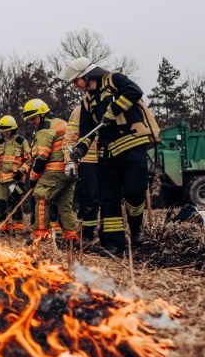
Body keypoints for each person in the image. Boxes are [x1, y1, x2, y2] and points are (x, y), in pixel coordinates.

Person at [62, 57, 157, 256]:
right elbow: (87, 133)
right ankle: (115, 245)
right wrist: (79, 151)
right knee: (109, 200)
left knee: (134, 191)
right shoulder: (87, 101)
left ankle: (136, 225)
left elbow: (135, 91)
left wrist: (113, 110)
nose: (75, 86)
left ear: (86, 76)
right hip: (108, 154)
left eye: (76, 81)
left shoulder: (114, 80)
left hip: (131, 146)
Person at [22, 99, 79, 244]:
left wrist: (33, 179)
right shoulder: (60, 122)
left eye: (34, 118)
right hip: (69, 170)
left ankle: (39, 237)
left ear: (43, 115)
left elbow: (41, 158)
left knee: (41, 198)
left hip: (54, 171)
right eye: (29, 120)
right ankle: (71, 237)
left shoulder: (45, 129)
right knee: (64, 205)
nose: (32, 122)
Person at [67, 104, 101, 245]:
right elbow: (70, 136)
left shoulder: (113, 103)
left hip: (110, 159)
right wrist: (69, 159)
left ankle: (109, 236)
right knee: (90, 199)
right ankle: (87, 235)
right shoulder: (80, 110)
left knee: (109, 199)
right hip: (88, 160)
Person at [0, 115, 31, 233]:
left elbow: (29, 159)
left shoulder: (21, 141)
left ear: (13, 129)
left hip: (14, 179)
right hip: (0, 180)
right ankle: (2, 229)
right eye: (3, 131)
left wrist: (22, 171)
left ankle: (18, 230)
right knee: (0, 204)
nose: (5, 133)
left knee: (15, 203)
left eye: (7, 130)